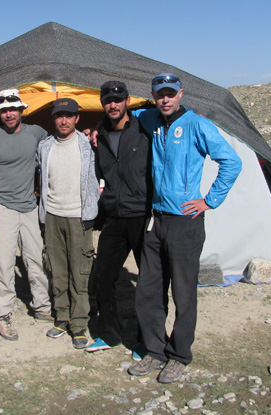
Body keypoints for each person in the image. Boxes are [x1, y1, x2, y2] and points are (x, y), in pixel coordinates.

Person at [127, 74, 243, 383]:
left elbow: (232, 162)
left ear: (181, 94)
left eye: (170, 94)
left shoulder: (196, 124)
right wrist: (96, 130)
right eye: (159, 94)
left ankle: (179, 355)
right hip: (156, 219)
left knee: (183, 293)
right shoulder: (150, 118)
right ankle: (154, 351)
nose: (165, 99)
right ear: (153, 96)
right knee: (148, 290)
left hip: (185, 221)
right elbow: (127, 114)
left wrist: (209, 200)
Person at [0, 88, 52, 341]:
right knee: (2, 262)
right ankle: (2, 314)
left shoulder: (37, 134)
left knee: (36, 260)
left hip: (29, 206)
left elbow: (55, 149)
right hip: (2, 207)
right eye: (3, 110)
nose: (9, 114)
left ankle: (42, 307)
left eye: (12, 109)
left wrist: (86, 135)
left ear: (21, 110)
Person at [84, 81, 152, 355]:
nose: (113, 104)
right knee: (103, 277)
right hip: (113, 215)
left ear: (127, 101)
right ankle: (109, 334)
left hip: (142, 215)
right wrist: (91, 131)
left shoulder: (145, 129)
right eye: (108, 100)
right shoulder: (98, 134)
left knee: (149, 281)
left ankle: (147, 340)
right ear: (103, 104)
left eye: (118, 99)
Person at [36, 98, 100, 349]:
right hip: (52, 215)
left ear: (77, 118)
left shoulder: (89, 144)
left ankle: (79, 324)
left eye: (69, 115)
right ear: (54, 119)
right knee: (57, 271)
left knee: (80, 273)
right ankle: (61, 317)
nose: (63, 120)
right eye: (59, 116)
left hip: (79, 217)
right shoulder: (45, 146)